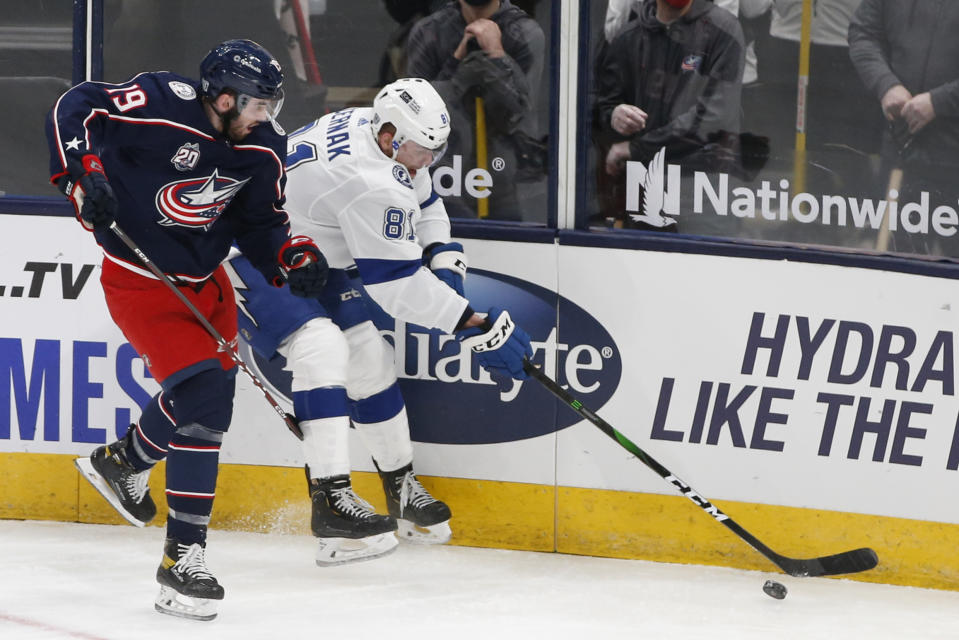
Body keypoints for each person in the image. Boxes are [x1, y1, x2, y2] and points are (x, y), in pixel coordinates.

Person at [45, 39, 328, 621]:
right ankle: (182, 559)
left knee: (199, 397)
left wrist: (291, 255)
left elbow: (262, 224)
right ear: (223, 98)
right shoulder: (159, 101)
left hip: (207, 281)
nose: (267, 119)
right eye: (258, 106)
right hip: (140, 278)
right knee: (206, 396)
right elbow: (76, 106)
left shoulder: (263, 150)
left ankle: (123, 461)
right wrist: (83, 171)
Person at [225, 77, 533, 564]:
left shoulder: (381, 133)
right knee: (322, 353)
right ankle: (331, 511)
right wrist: (470, 322)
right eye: (423, 149)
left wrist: (445, 263)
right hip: (256, 255)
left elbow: (426, 201)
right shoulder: (369, 181)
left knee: (371, 357)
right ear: (391, 136)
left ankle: (399, 489)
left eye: (436, 148)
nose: (430, 159)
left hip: (309, 253)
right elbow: (393, 288)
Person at [595, 0, 745, 229]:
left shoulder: (722, 30)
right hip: (646, 191)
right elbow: (603, 103)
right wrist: (614, 115)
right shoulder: (629, 37)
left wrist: (636, 149)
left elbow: (714, 117)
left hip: (705, 192)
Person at [406, 0, 546, 221]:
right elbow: (413, 112)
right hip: (439, 175)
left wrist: (498, 56)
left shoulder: (523, 33)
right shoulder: (430, 31)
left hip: (500, 180)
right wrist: (456, 61)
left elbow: (521, 115)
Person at [848, 0, 959, 257]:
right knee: (898, 267)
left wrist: (939, 102)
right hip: (903, 152)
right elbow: (863, 33)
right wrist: (886, 85)